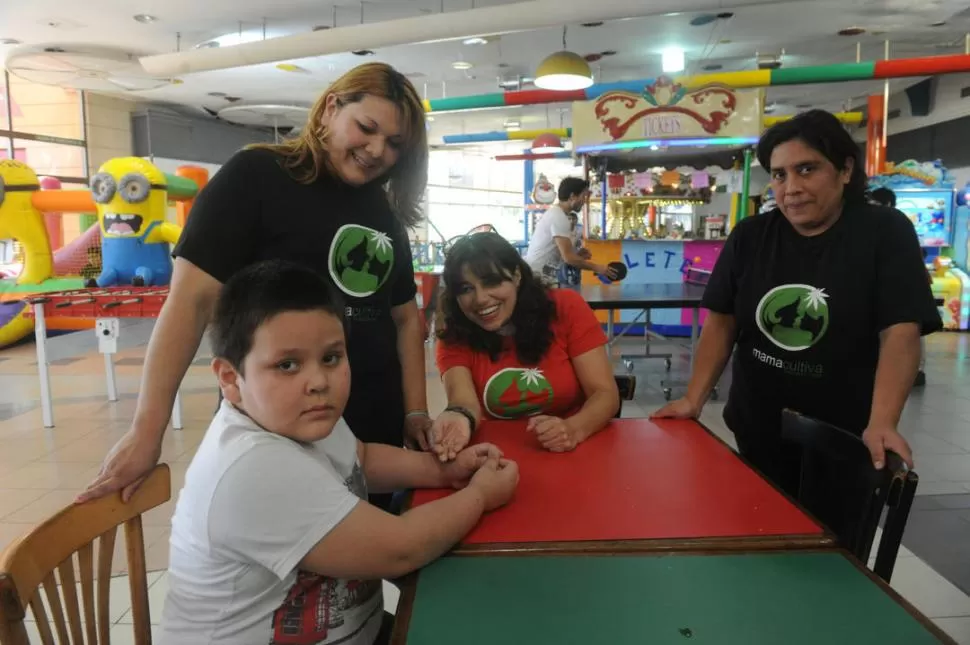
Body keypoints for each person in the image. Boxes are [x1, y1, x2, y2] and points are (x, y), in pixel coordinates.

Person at [78, 63, 436, 511]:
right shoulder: (257, 177)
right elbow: (189, 302)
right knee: (285, 570)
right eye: (366, 128)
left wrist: (415, 413)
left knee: (359, 573)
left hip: (371, 431)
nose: (376, 149)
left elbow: (404, 319)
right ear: (330, 108)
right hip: (273, 427)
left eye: (394, 144)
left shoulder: (383, 211)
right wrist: (146, 431)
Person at [159, 260, 518, 645]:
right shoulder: (252, 467)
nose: (318, 382)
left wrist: (444, 472)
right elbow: (400, 549)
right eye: (287, 365)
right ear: (231, 379)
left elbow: (360, 458)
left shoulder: (295, 417)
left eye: (331, 358)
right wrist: (479, 495)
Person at [654, 110, 940, 513]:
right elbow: (722, 320)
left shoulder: (884, 232)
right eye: (779, 174)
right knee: (758, 537)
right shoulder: (752, 236)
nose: (791, 188)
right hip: (759, 424)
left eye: (807, 169)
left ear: (844, 170)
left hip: (846, 433)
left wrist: (883, 422)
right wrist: (693, 399)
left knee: (830, 552)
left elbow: (901, 330)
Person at [429, 232, 619, 460]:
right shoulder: (454, 334)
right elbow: (463, 401)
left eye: (491, 281)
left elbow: (604, 394)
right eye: (466, 289)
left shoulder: (565, 307)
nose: (480, 299)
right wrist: (458, 417)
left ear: (516, 276)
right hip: (498, 457)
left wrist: (572, 429)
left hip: (577, 451)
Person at [869, 185, 930, 387]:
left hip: (904, 285)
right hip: (883, 285)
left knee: (909, 328)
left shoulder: (895, 223)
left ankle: (916, 370)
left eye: (876, 202)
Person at [525, 177, 617, 285]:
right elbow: (568, 258)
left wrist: (576, 255)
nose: (584, 201)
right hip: (536, 277)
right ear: (572, 196)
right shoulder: (558, 216)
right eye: (583, 196)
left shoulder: (558, 214)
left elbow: (565, 256)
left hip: (541, 276)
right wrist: (598, 268)